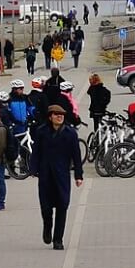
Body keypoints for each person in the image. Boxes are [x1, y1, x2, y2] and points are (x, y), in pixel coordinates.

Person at [31, 104, 83, 250]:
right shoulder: (42, 131)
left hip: (62, 176)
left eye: (61, 115)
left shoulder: (70, 133)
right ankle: (47, 227)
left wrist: (78, 175)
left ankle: (58, 239)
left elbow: (76, 156)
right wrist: (33, 168)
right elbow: (36, 151)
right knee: (46, 207)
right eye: (56, 114)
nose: (60, 117)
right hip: (46, 175)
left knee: (62, 206)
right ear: (50, 117)